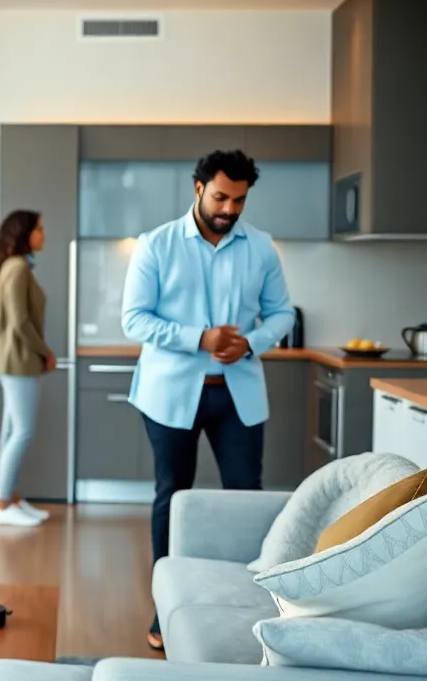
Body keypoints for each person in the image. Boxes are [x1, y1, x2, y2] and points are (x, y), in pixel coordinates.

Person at [121, 149, 295, 651]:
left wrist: (255, 341)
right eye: (221, 196)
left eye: (239, 199)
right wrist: (200, 337)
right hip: (171, 394)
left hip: (236, 396)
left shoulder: (260, 247)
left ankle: (248, 601)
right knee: (173, 497)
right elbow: (134, 319)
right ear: (198, 189)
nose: (229, 208)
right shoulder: (157, 245)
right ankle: (164, 606)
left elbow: (280, 313)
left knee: (246, 499)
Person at [0, 210, 55, 528]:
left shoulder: (18, 266)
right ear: (24, 233)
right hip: (18, 360)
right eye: (39, 229)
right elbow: (19, 321)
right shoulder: (17, 268)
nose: (43, 234)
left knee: (13, 431)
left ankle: (9, 497)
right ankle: (2, 503)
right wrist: (45, 352)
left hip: (16, 359)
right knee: (22, 431)